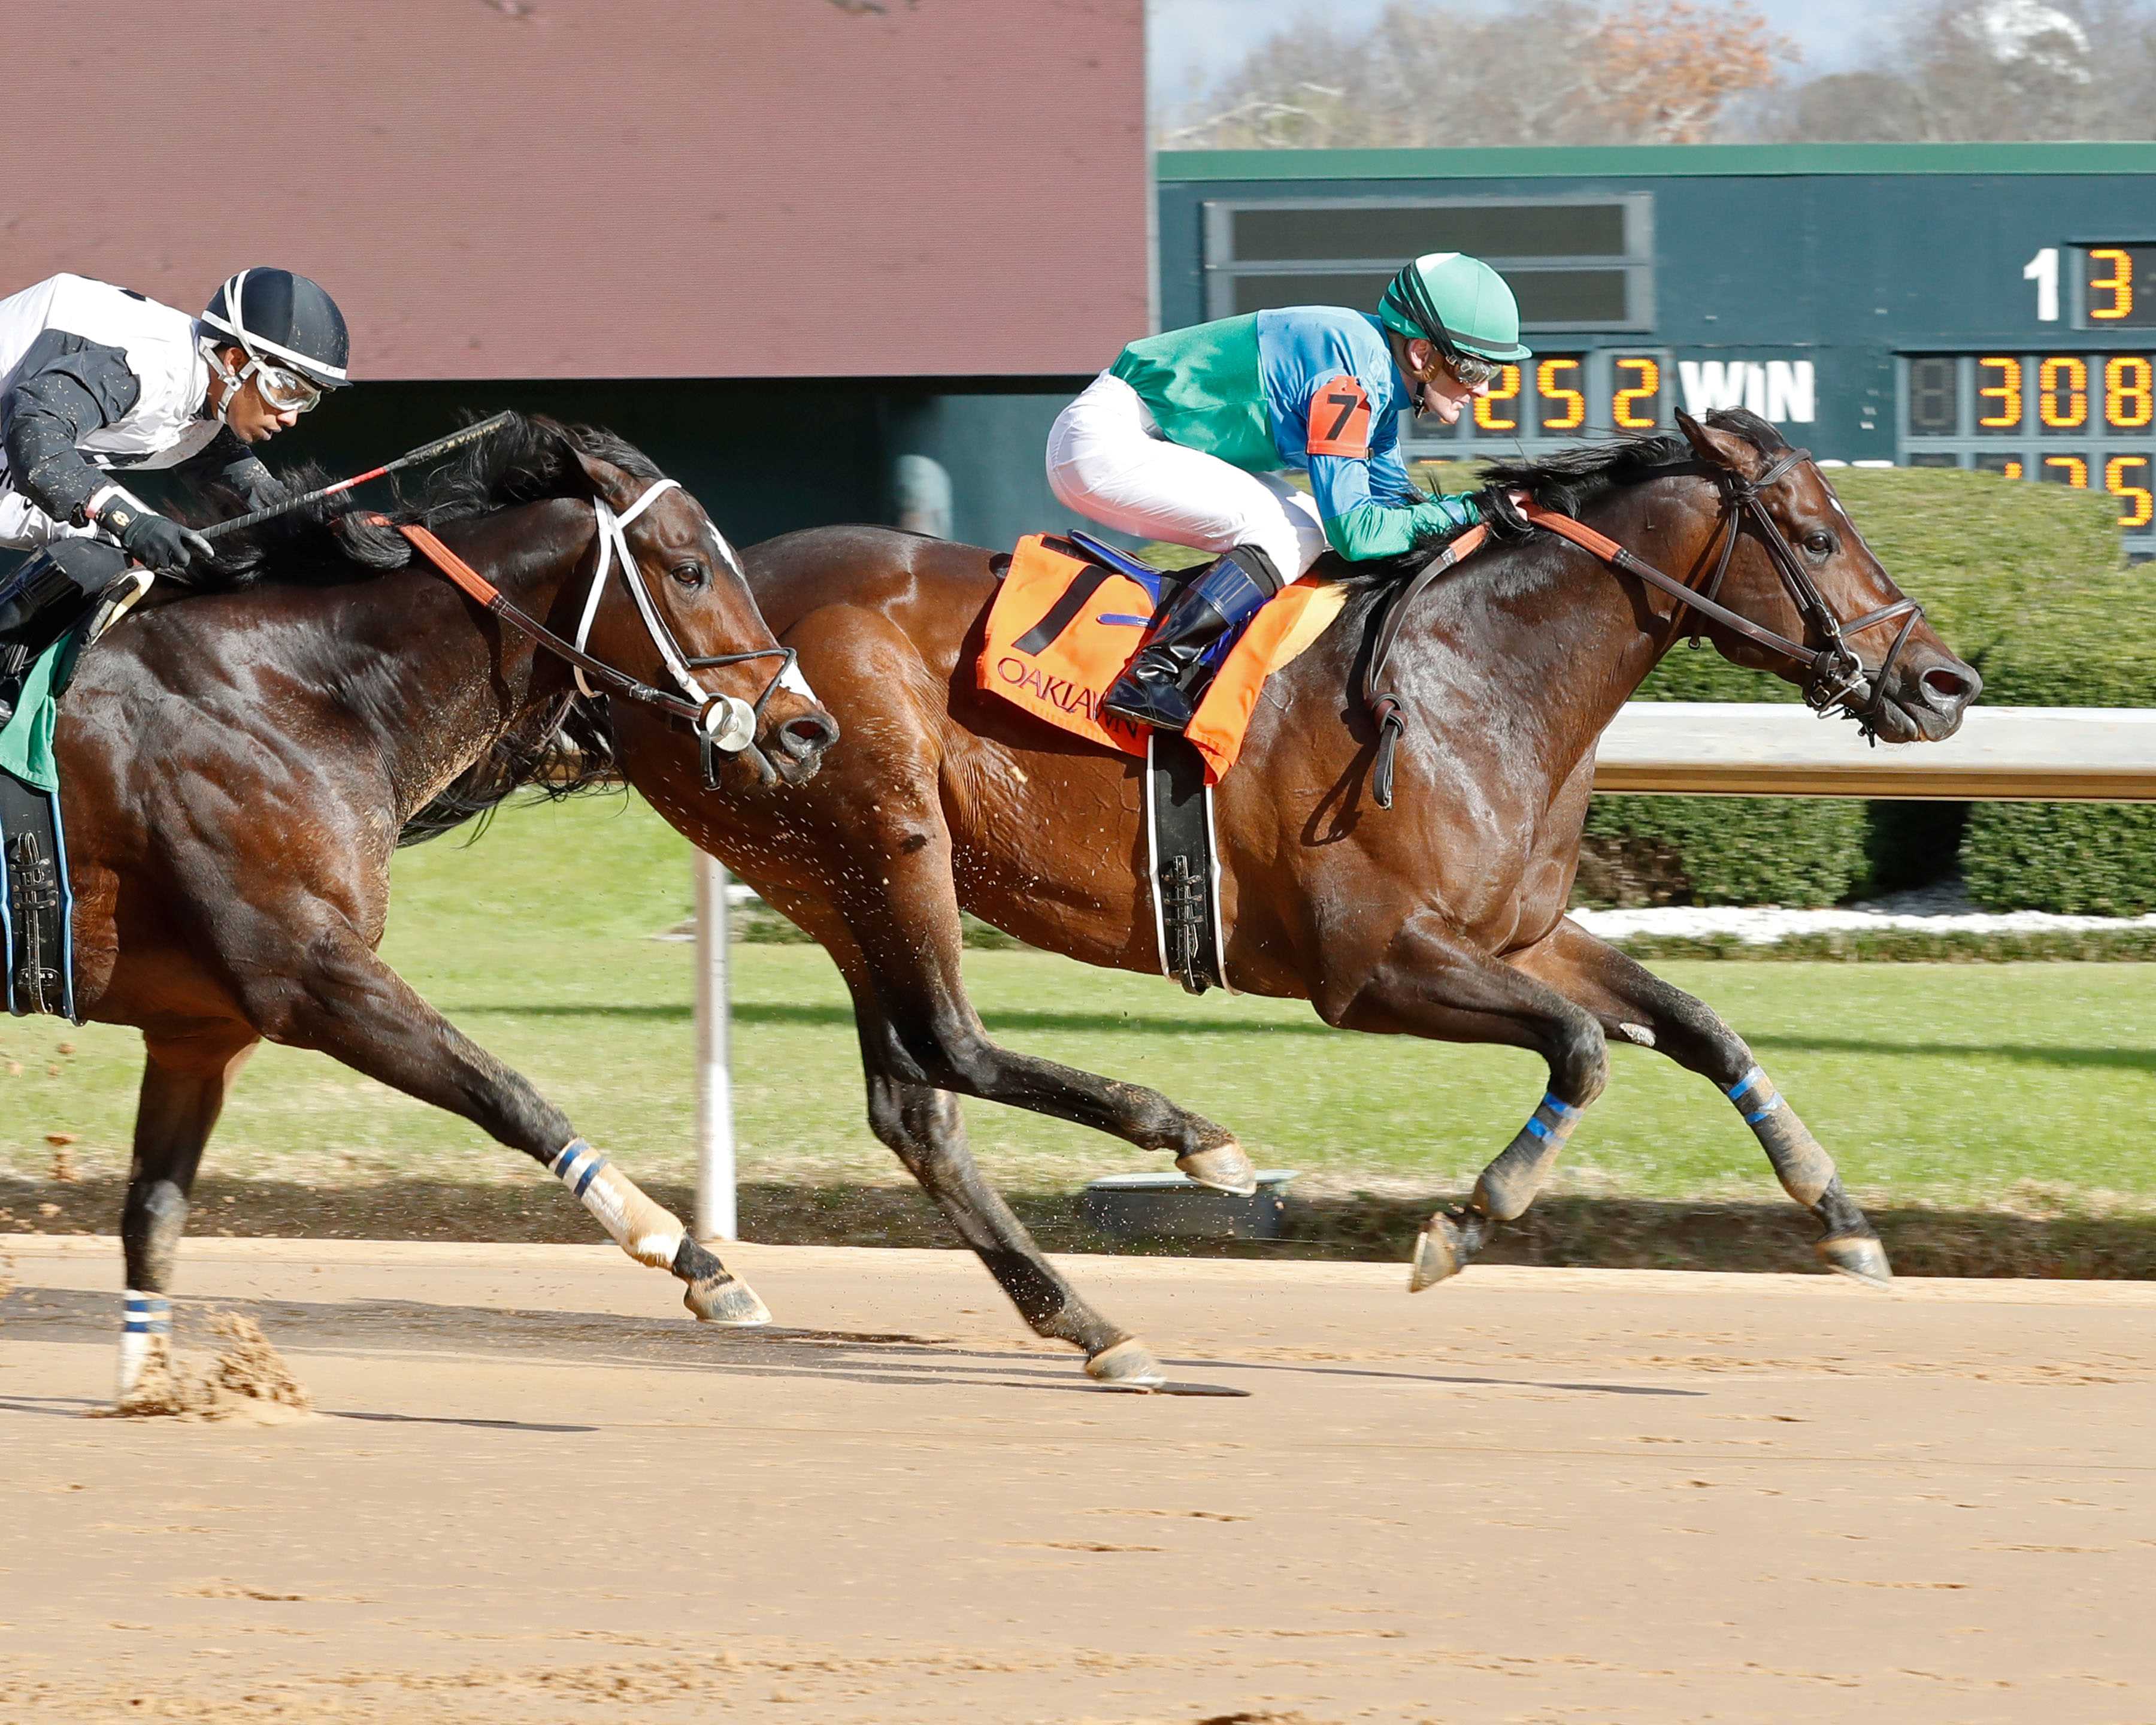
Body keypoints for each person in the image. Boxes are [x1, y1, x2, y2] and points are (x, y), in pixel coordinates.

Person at [1046, 252, 1533, 733]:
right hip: (1107, 441)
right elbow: (1358, 535)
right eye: (1473, 370)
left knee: (1306, 526)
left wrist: (1481, 518)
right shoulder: (1348, 380)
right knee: (1297, 530)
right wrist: (1473, 509)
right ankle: (1154, 672)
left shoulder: (1378, 378)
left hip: (1137, 436)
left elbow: (1395, 508)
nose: (1484, 390)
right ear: (1422, 354)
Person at [0, 268, 350, 716]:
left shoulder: (205, 384)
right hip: (22, 437)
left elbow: (249, 487)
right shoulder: (156, 368)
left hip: (13, 444)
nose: (291, 417)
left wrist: (339, 529)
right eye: (286, 389)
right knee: (112, 545)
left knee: (125, 550)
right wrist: (129, 520)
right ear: (235, 362)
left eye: (308, 399)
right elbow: (37, 439)